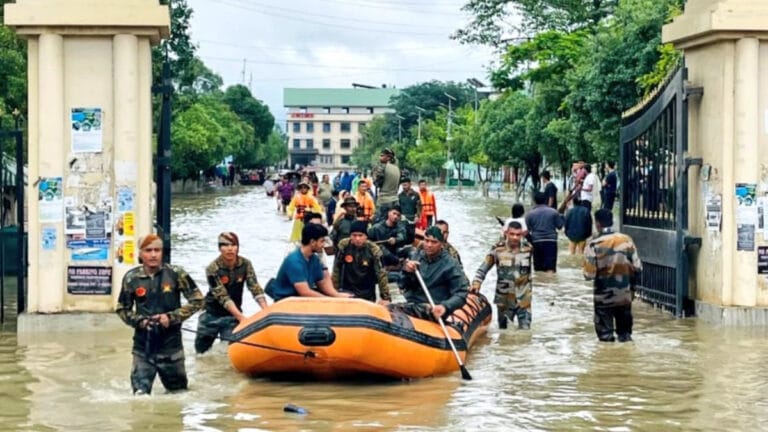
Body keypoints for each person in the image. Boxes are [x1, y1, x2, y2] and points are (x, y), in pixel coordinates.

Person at [115, 234, 204, 395]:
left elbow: (197, 300)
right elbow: (122, 309)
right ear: (141, 253)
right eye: (148, 250)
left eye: (157, 250)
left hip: (171, 347)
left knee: (178, 395)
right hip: (143, 348)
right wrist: (140, 321)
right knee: (139, 397)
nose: (153, 254)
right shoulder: (131, 278)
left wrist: (171, 317)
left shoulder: (176, 273)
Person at [195, 232, 268, 354]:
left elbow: (254, 287)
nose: (230, 249)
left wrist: (266, 311)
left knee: (229, 353)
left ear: (238, 247)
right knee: (201, 354)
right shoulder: (212, 269)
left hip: (232, 317)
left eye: (233, 245)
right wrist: (242, 318)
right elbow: (222, 296)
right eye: (225, 245)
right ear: (219, 248)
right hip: (210, 315)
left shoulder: (246, 264)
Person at [583, 209, 642, 342]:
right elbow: (638, 267)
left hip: (603, 298)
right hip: (624, 295)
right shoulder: (626, 240)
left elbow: (589, 275)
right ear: (612, 221)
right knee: (625, 337)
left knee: (605, 339)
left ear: (597, 224)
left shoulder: (594, 244)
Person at [390, 226, 468, 321]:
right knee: (386, 306)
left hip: (433, 308)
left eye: (434, 242)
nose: (429, 245)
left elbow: (461, 293)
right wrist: (407, 272)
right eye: (426, 241)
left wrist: (445, 306)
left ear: (441, 244)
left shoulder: (451, 264)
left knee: (422, 308)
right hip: (411, 304)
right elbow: (402, 284)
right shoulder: (417, 256)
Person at [267, 224, 353, 301]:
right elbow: (304, 292)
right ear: (312, 242)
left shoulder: (314, 259)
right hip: (286, 300)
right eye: (322, 241)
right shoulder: (294, 261)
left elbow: (322, 282)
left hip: (300, 299)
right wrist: (329, 300)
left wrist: (337, 296)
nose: (324, 245)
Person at [471, 221, 533, 329]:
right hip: (504, 300)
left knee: (526, 332)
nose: (515, 237)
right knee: (504, 333)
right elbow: (483, 268)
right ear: (506, 233)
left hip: (524, 299)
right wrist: (476, 283)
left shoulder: (528, 249)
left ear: (522, 234)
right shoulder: (497, 249)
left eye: (518, 235)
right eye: (512, 234)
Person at [332, 221, 390, 303]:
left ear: (366, 236)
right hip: (347, 290)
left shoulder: (373, 250)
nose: (357, 239)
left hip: (367, 292)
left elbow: (381, 274)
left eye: (360, 235)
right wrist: (334, 292)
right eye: (354, 235)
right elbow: (336, 269)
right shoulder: (344, 245)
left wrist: (385, 297)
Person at [525, 191, 564, 272]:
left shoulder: (530, 214)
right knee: (550, 268)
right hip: (551, 242)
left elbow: (526, 231)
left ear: (534, 201)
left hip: (536, 242)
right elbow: (560, 226)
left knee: (538, 269)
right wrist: (562, 216)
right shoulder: (553, 212)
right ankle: (550, 284)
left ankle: (540, 284)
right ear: (546, 200)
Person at [372, 148, 401, 223]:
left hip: (384, 200)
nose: (380, 157)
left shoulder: (381, 167)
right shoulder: (397, 168)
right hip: (395, 199)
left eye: (382, 155)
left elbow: (377, 183)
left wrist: (374, 176)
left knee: (379, 222)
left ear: (388, 157)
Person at [398, 177, 422, 244]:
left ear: (410, 184)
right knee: (403, 234)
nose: (404, 187)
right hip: (403, 219)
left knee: (411, 234)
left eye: (405, 185)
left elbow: (419, 206)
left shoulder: (416, 195)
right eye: (403, 185)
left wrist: (418, 216)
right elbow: (398, 208)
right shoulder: (400, 196)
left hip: (412, 218)